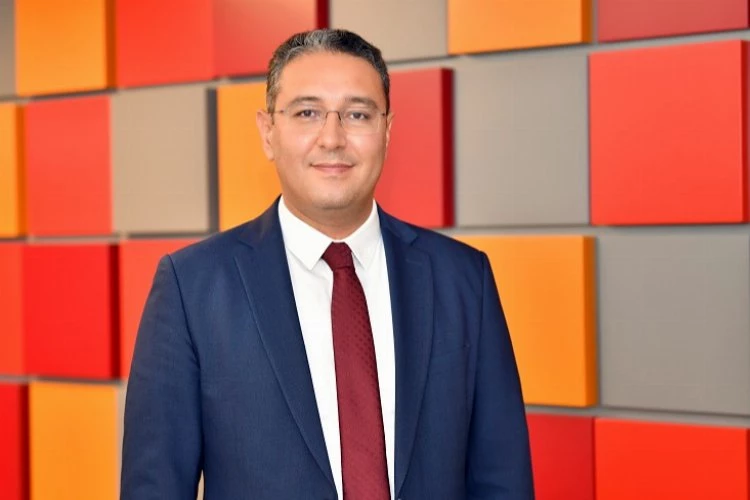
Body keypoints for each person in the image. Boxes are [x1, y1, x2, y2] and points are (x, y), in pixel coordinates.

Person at [121, 29, 533, 499]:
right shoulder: (191, 289)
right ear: (268, 132)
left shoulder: (464, 280)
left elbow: (503, 482)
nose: (333, 139)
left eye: (358, 114)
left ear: (387, 131)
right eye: (307, 113)